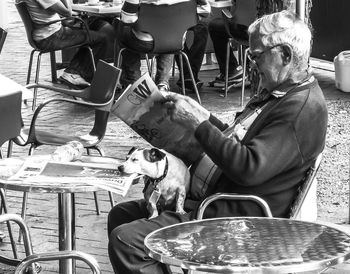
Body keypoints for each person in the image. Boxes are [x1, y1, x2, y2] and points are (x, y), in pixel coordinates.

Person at [107, 10, 328, 274]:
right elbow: (238, 139)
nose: (252, 62)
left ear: (286, 55)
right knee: (121, 216)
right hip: (218, 198)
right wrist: (199, 114)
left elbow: (248, 167)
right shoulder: (281, 93)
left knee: (127, 242)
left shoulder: (301, 109)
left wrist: (198, 124)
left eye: (256, 55)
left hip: (236, 218)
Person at [114, 0, 210, 92]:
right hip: (175, 39)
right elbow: (206, 10)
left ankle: (135, 83)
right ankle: (162, 83)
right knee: (168, 32)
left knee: (121, 27)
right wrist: (184, 22)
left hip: (143, 42)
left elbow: (127, 19)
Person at [18, 0, 111, 88]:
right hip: (51, 36)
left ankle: (80, 73)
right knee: (101, 38)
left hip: (45, 33)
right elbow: (67, 12)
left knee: (91, 30)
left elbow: (50, 11)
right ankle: (74, 73)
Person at [208, 0, 256, 86]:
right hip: (269, 30)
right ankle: (252, 71)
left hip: (243, 30)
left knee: (214, 26)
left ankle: (231, 70)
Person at [174, 21, 209, 93]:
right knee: (174, 29)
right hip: (172, 19)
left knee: (202, 28)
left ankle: (188, 75)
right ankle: (189, 74)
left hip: (189, 17)